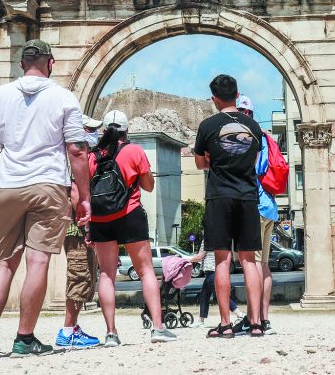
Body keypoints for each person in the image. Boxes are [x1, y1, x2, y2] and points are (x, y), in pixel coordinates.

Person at [0, 39, 91, 359]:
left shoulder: (0, 94)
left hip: (6, 185)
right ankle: (24, 339)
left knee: (5, 262)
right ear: (50, 63)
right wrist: (82, 195)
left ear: (20, 64)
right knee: (38, 261)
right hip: (48, 185)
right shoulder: (63, 97)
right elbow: (77, 150)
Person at [87, 110, 177, 346]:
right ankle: (157, 327)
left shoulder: (92, 156)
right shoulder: (134, 151)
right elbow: (148, 186)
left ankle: (111, 334)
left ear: (104, 130)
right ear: (126, 131)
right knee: (146, 270)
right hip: (129, 214)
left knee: (106, 273)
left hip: (100, 219)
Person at [194, 74, 264, 338]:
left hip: (219, 195)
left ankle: (225, 324)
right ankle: (256, 322)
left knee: (222, 260)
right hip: (247, 195)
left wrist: (214, 159)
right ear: (238, 94)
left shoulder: (208, 126)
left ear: (214, 99)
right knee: (249, 260)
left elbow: (201, 164)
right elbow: (253, 159)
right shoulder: (253, 126)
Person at [235, 95, 279, 336]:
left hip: (254, 206)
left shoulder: (246, 139)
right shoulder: (265, 137)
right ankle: (264, 318)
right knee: (263, 265)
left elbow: (247, 170)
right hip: (269, 206)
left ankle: (255, 320)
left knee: (252, 264)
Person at [55, 178, 101, 349]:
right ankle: (67, 333)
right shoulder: (74, 164)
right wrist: (88, 228)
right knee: (79, 278)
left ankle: (72, 327)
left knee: (84, 278)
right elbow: (75, 192)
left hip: (78, 230)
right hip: (78, 231)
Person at [188, 239, 244, 328]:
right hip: (216, 271)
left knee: (221, 296)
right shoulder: (220, 237)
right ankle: (200, 320)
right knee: (204, 296)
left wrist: (187, 259)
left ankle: (240, 314)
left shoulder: (206, 240)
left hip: (211, 272)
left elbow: (200, 256)